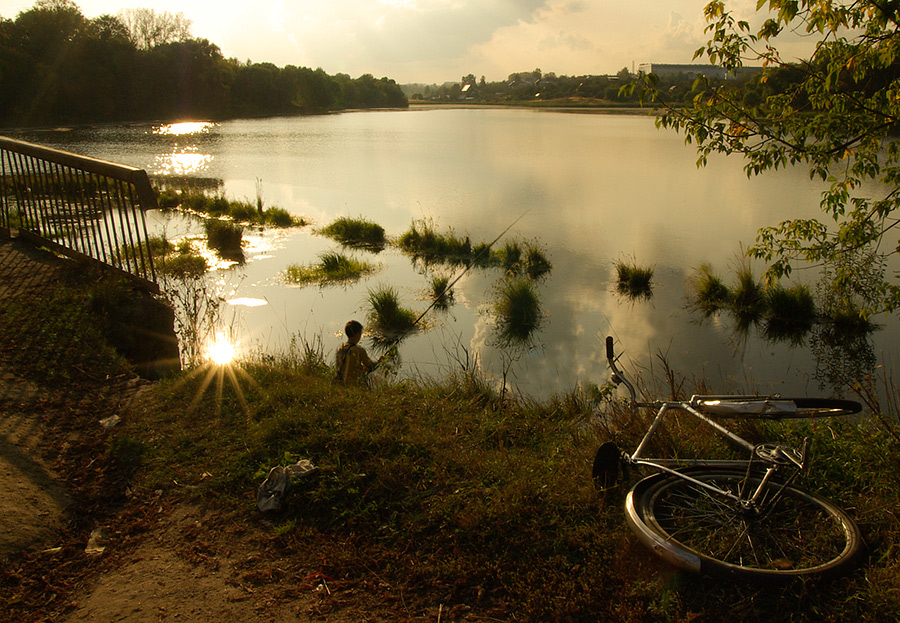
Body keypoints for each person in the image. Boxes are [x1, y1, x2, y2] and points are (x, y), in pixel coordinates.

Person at [335, 320, 374, 385]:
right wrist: (379, 360)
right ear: (357, 334)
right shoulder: (359, 350)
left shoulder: (341, 348)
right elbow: (370, 366)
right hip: (353, 387)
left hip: (339, 385)